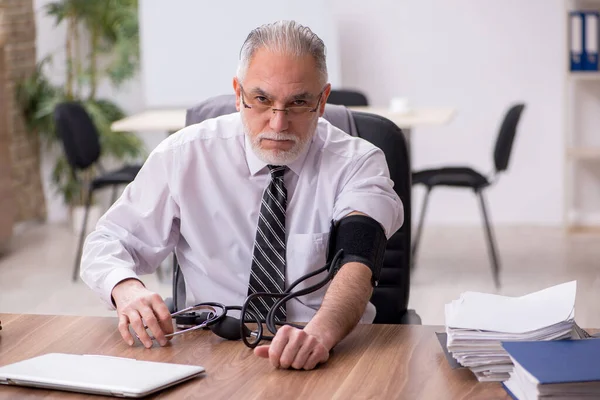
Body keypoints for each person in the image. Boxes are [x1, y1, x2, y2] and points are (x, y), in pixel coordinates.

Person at [80, 20, 403, 371]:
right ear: (238, 94)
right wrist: (127, 289)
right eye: (262, 100)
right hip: (213, 351)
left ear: (322, 100)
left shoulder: (358, 162)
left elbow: (358, 262)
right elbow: (107, 241)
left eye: (298, 103)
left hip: (329, 349)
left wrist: (319, 335)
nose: (278, 124)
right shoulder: (184, 156)